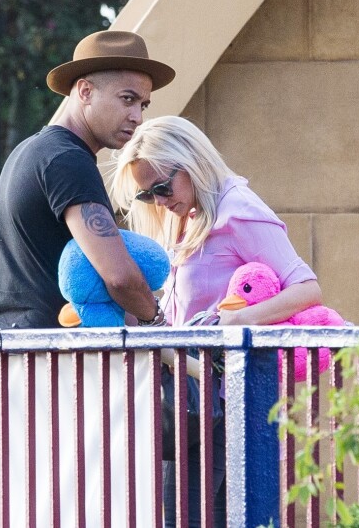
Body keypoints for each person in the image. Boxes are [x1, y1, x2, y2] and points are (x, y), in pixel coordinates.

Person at [111, 115, 322, 527]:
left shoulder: (238, 211)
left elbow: (306, 288)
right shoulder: (188, 215)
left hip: (231, 399)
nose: (158, 202)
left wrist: (236, 322)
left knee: (187, 516)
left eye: (161, 188)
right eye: (146, 195)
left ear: (190, 163)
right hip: (200, 398)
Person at [0, 31, 175, 329]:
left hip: (9, 350)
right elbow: (119, 276)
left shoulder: (32, 150)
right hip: (47, 357)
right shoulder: (68, 161)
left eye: (143, 105)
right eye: (127, 99)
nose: (137, 117)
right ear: (85, 92)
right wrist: (158, 323)